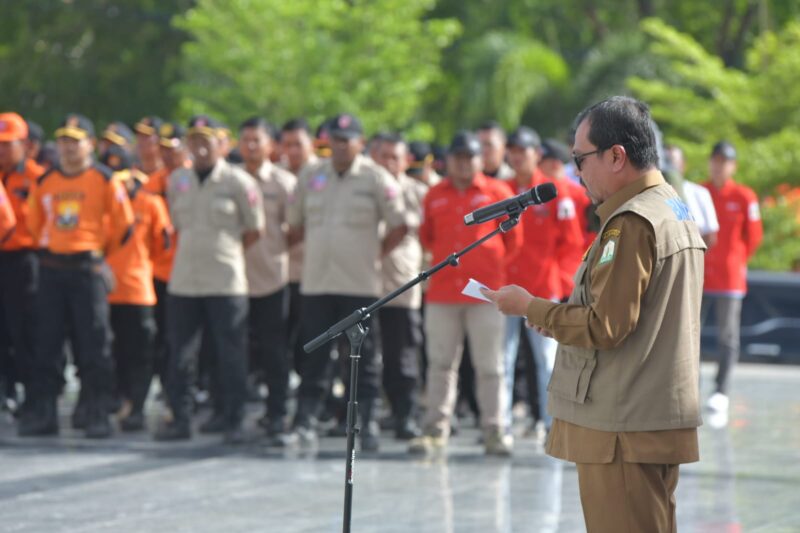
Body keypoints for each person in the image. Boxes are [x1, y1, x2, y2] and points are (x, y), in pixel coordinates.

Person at [482, 96, 707, 532]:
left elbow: (607, 326)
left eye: (581, 160)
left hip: (625, 423)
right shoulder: (671, 206)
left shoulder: (632, 223)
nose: (576, 173)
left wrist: (531, 307)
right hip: (650, 414)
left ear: (616, 156)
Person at [286, 113, 407, 452]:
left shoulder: (375, 177)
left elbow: (399, 225)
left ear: (360, 141)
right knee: (314, 357)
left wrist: (373, 253)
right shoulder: (311, 175)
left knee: (363, 358)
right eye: (335, 139)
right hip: (317, 283)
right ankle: (306, 420)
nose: (340, 145)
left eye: (346, 139)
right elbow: (294, 224)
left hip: (359, 284)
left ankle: (365, 422)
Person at [21, 113, 135, 438]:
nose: (69, 149)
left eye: (76, 141)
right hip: (53, 269)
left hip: (87, 269)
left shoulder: (103, 179)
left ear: (90, 145)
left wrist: (98, 251)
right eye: (63, 142)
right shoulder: (46, 181)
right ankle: (44, 413)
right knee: (47, 344)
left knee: (95, 344)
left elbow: (123, 225)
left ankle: (96, 411)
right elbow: (33, 224)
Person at [408, 130, 521, 456]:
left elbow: (514, 242)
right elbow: (427, 237)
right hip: (443, 292)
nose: (464, 163)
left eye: (470, 157)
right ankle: (435, 429)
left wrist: (490, 269)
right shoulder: (434, 194)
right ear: (449, 161)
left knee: (490, 366)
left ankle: (495, 430)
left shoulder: (498, 192)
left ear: (480, 159)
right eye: (458, 157)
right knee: (440, 364)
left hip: (485, 293)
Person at [155, 115, 265, 443]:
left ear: (222, 143)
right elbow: (176, 222)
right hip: (185, 279)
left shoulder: (239, 182)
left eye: (208, 140)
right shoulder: (178, 181)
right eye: (195, 140)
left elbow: (254, 230)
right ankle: (181, 417)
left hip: (224, 279)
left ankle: (231, 418)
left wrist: (225, 252)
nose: (201, 147)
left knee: (230, 353)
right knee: (180, 353)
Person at [502, 127, 582, 435]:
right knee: (503, 362)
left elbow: (571, 243)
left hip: (541, 288)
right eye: (513, 149)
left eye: (524, 150)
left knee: (545, 360)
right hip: (505, 287)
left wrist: (560, 284)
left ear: (537, 154)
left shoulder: (551, 192)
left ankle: (552, 422)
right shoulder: (501, 189)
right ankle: (503, 424)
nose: (517, 155)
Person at [101, 146, 171, 431]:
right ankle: (113, 401)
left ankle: (137, 406)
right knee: (107, 350)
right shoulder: (100, 203)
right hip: (104, 290)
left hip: (138, 290)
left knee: (140, 352)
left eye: (122, 176)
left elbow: (162, 246)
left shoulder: (150, 203)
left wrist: (141, 268)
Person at [238, 116, 297, 443]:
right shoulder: (229, 179)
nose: (250, 146)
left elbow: (297, 228)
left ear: (270, 145)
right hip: (233, 279)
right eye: (244, 139)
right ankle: (228, 411)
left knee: (274, 350)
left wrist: (277, 251)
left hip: (272, 276)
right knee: (234, 349)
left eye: (256, 140)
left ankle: (277, 413)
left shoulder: (284, 183)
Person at [702, 141, 762, 414]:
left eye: (724, 161)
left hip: (729, 277)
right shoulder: (700, 192)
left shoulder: (745, 196)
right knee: (689, 333)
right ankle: (688, 386)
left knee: (728, 336)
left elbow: (754, 237)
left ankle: (721, 390)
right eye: (715, 160)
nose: (719, 165)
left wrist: (737, 260)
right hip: (701, 274)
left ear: (733, 165)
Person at [374, 133, 427, 440]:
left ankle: (405, 414)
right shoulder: (365, 189)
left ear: (407, 161)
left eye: (395, 157)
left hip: (402, 285)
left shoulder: (419, 193)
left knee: (403, 355)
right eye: (383, 156)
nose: (388, 163)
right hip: (365, 283)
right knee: (362, 356)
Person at [0, 113, 42, 412]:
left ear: (25, 145)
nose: (1, 150)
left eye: (7, 144)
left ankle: (33, 394)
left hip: (24, 261)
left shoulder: (39, 178)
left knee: (25, 328)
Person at [279, 118, 317, 378]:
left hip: (314, 272)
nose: (293, 151)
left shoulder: (324, 175)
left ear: (311, 145)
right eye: (287, 144)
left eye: (298, 144)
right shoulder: (275, 173)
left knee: (314, 340)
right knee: (281, 339)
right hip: (279, 273)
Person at [664, 144, 719, 247]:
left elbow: (710, 235)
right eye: (666, 161)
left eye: (672, 161)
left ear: (683, 164)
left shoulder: (700, 193)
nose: (669, 167)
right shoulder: (650, 194)